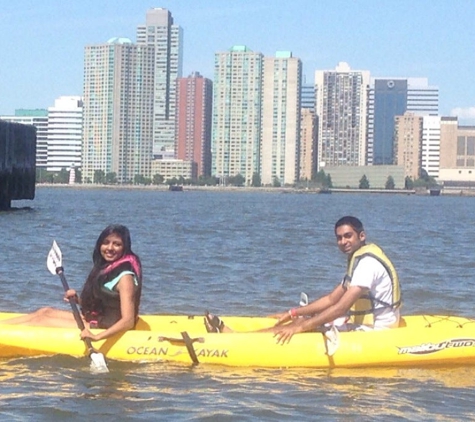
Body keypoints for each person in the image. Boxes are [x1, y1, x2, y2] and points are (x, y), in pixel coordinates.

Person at [204, 216, 401, 344]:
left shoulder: (367, 264)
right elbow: (332, 299)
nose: (343, 242)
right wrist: (293, 312)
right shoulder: (360, 259)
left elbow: (340, 308)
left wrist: (301, 327)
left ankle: (236, 340)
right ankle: (243, 336)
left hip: (376, 333)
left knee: (301, 326)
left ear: (362, 236)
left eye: (348, 236)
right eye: (339, 238)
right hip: (364, 325)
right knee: (300, 320)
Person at [1, 224, 142, 342]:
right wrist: (78, 300)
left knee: (39, 322)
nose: (110, 248)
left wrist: (97, 337)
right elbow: (105, 304)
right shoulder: (106, 268)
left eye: (117, 244)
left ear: (125, 248)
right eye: (106, 243)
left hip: (102, 328)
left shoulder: (125, 278)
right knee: (44, 311)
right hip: (95, 320)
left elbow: (128, 320)